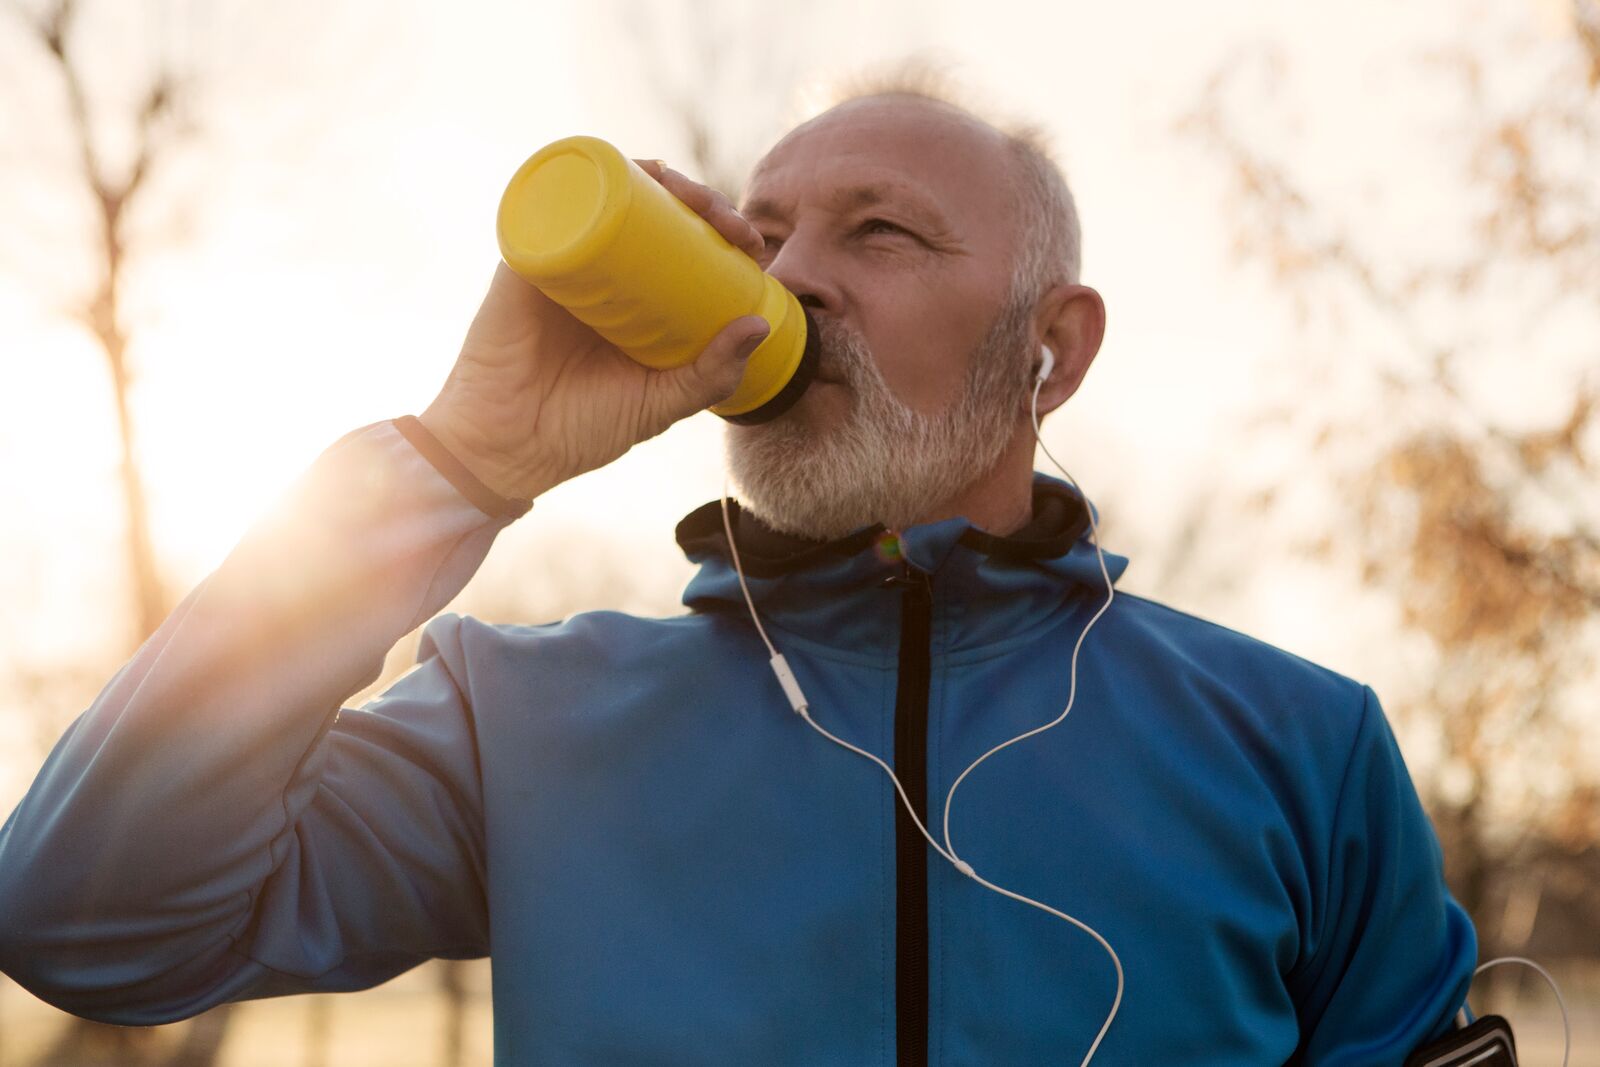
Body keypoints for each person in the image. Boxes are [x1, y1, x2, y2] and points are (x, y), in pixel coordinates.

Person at [0, 87, 1477, 1064]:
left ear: (1055, 347)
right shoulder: (520, 719)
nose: (793, 281)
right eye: (762, 241)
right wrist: (460, 459)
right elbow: (87, 921)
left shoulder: (1301, 745)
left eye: (878, 232)